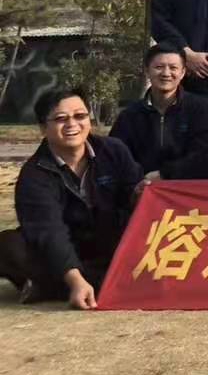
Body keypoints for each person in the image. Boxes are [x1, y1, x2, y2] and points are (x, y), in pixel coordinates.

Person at [0, 89, 142, 308]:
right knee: (9, 245)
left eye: (80, 116)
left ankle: (47, 288)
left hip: (110, 244)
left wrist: (140, 194)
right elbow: (49, 231)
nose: (72, 124)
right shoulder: (34, 174)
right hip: (63, 250)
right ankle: (81, 283)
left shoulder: (114, 151)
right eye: (60, 119)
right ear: (42, 127)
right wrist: (75, 281)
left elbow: (134, 201)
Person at [108, 43, 208, 178]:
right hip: (142, 185)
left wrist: (165, 174)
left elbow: (204, 155)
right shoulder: (129, 115)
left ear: (183, 73)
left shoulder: (201, 109)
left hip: (187, 185)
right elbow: (117, 155)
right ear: (147, 71)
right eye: (159, 67)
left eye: (173, 68)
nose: (166, 73)